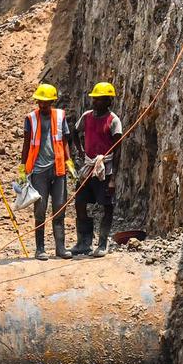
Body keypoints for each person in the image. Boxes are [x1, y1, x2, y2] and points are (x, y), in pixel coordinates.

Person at [19, 83, 77, 260]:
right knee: (40, 210)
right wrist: (22, 168)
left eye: (45, 102)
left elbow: (65, 141)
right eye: (39, 102)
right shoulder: (30, 118)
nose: (42, 105)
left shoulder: (60, 116)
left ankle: (60, 248)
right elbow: (27, 144)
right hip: (38, 171)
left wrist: (69, 162)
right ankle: (40, 249)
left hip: (57, 168)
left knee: (59, 209)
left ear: (52, 101)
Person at [72, 82, 123, 258]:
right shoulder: (87, 116)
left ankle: (102, 242)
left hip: (104, 169)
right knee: (79, 202)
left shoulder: (113, 121)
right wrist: (80, 151)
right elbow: (74, 132)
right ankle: (83, 242)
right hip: (88, 167)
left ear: (108, 101)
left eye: (99, 99)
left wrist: (112, 178)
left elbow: (118, 149)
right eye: (94, 99)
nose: (95, 102)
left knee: (106, 206)